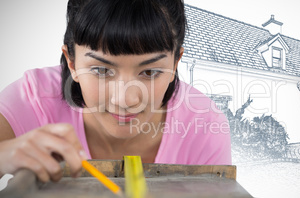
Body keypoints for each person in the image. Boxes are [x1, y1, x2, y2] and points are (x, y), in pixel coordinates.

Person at [0, 0, 231, 183]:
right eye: (101, 70)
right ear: (71, 62)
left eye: (149, 72)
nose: (126, 100)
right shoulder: (34, 98)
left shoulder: (205, 125)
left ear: (175, 64)